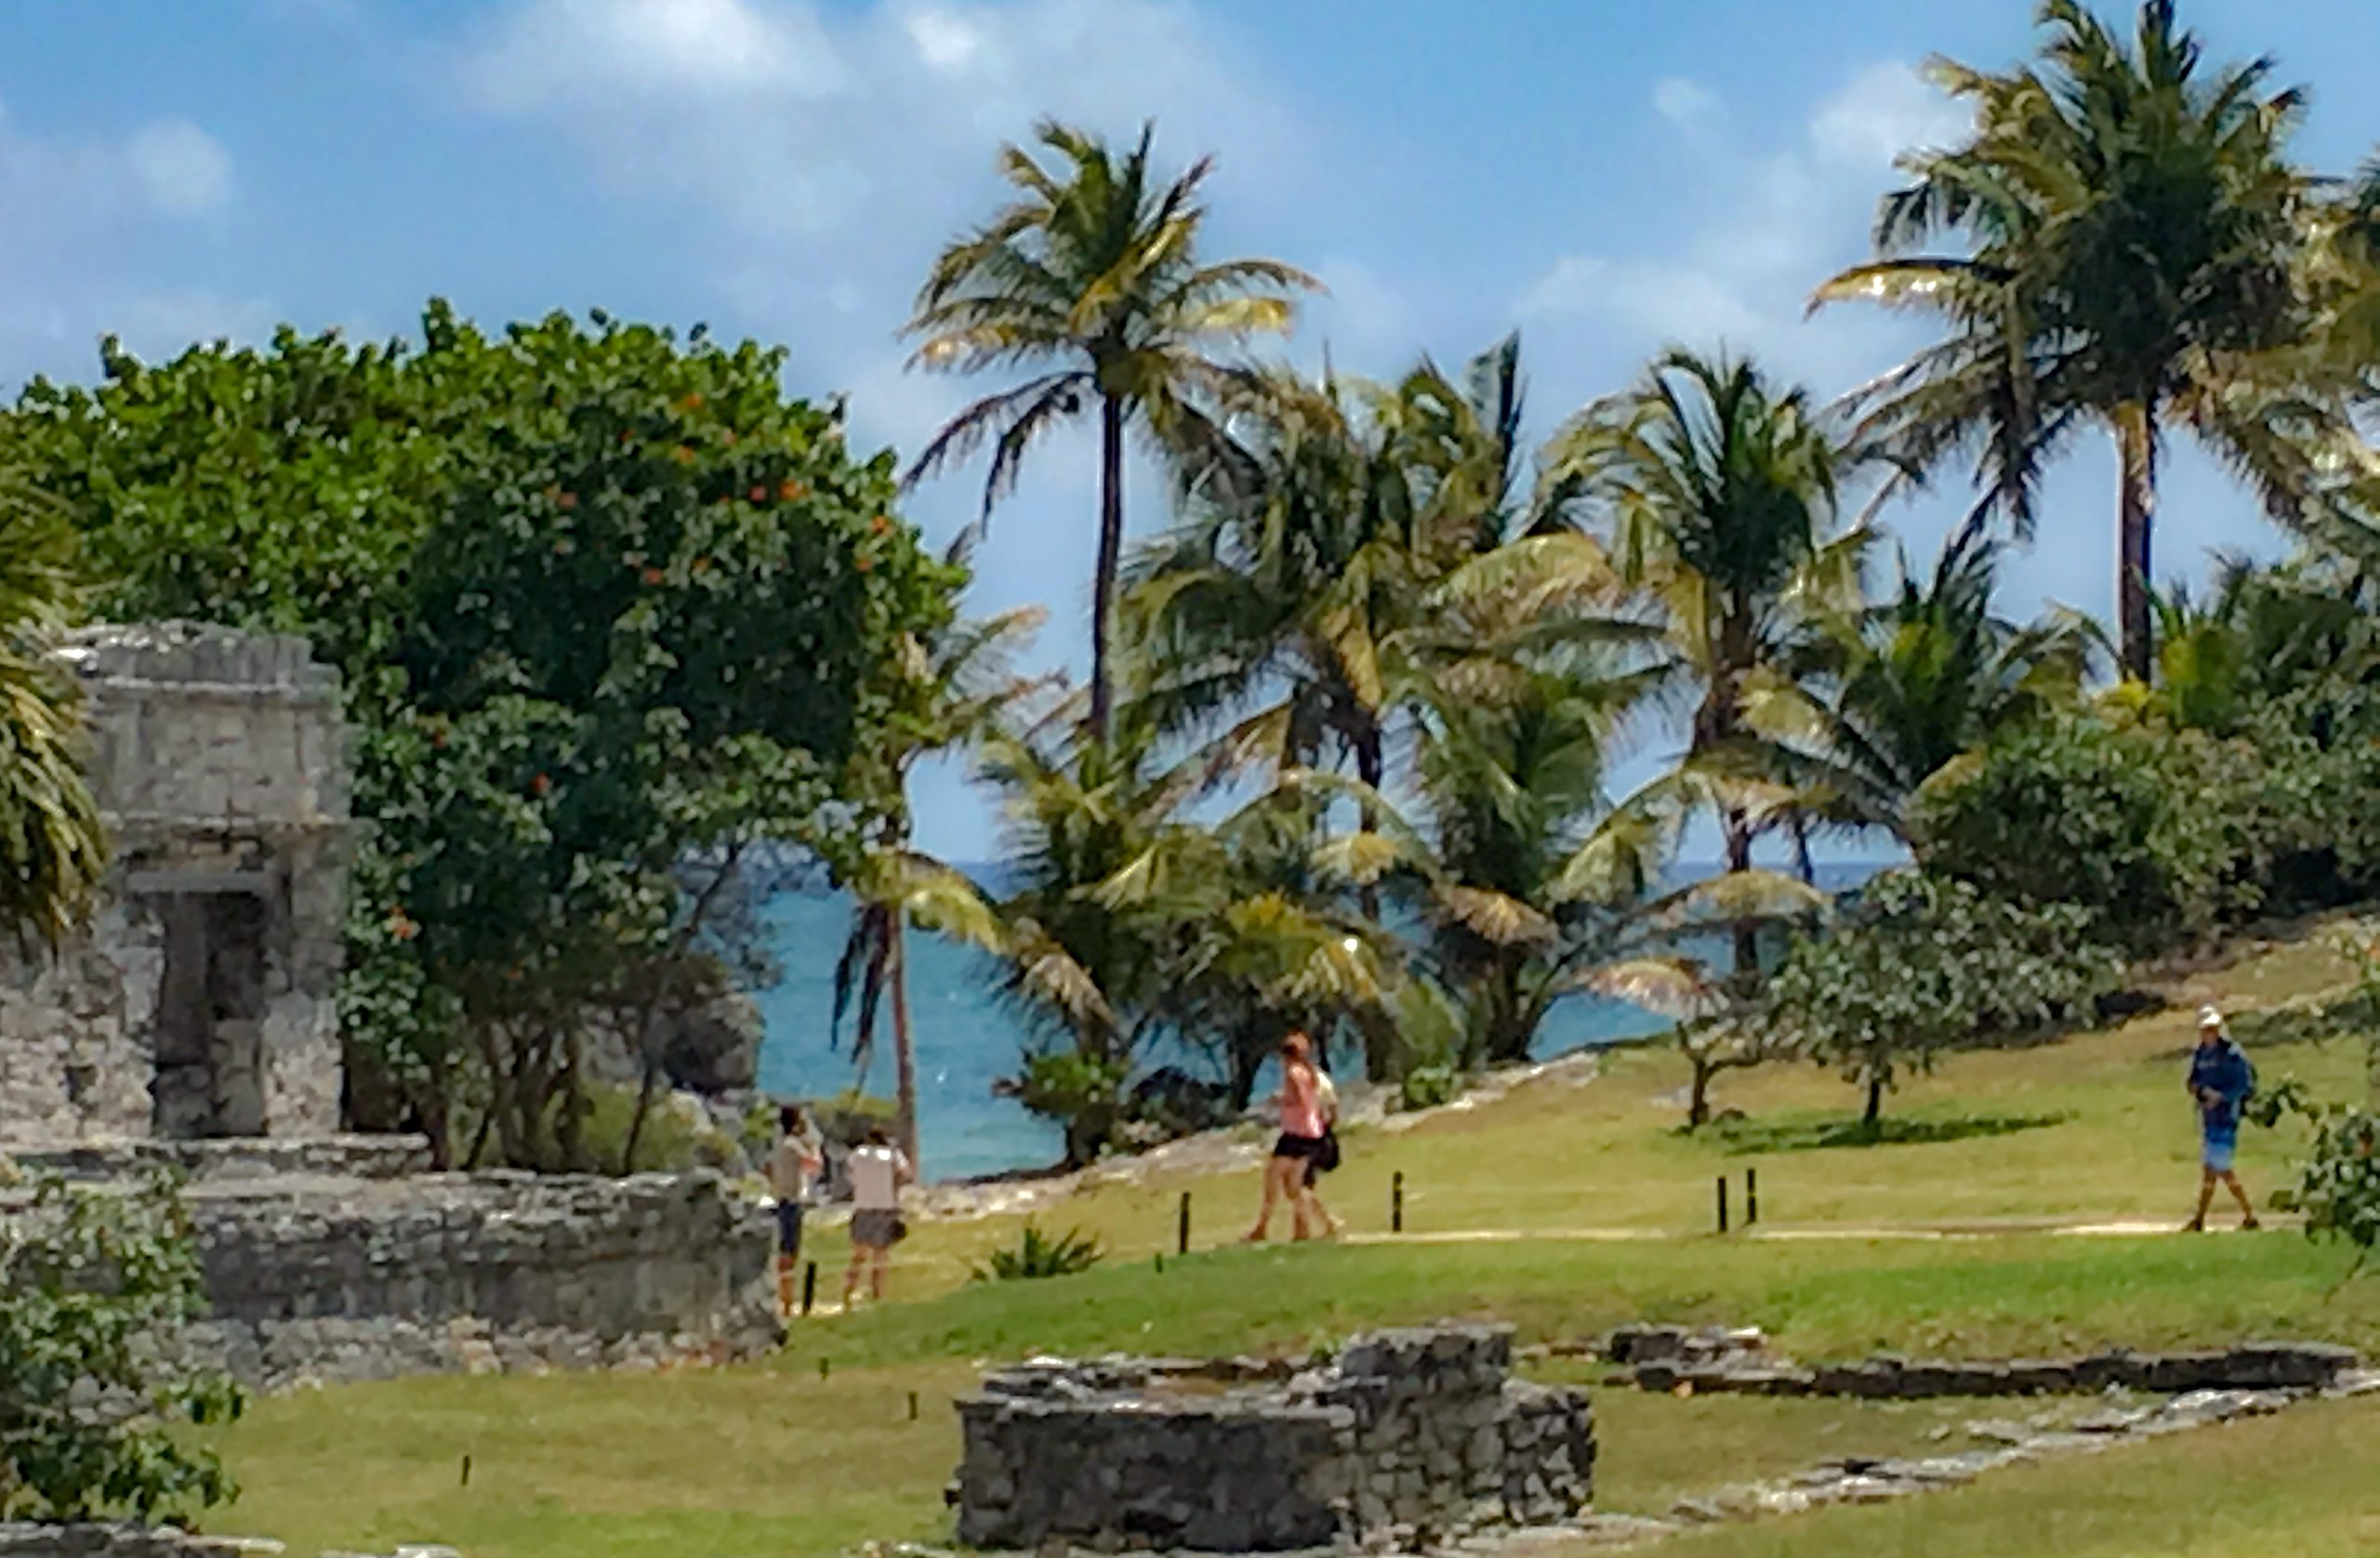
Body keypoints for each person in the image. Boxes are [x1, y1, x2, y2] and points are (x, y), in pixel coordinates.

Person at [2185, 1006, 2261, 1233]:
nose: (2209, 1033)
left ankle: (2242, 1215)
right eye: (2206, 1029)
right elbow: (2192, 1081)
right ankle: (2239, 1216)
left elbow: (2245, 1085)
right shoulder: (2200, 1055)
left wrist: (2222, 1097)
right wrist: (2200, 1092)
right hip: (2209, 1118)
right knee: (2214, 1170)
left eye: (2213, 1028)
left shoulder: (2233, 1055)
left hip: (2226, 1117)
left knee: (2218, 1168)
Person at [1246, 1032, 1327, 1242]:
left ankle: (1261, 1228)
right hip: (1310, 1133)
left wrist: (1280, 1099)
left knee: (1273, 1177)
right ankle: (1322, 1224)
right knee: (1294, 1187)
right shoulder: (1310, 1073)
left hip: (1295, 1134)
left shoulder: (1293, 1072)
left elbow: (1297, 1098)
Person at [842, 1126, 912, 1304]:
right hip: (884, 1206)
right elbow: (907, 1173)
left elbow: (849, 1173)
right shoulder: (891, 1155)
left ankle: (848, 1292)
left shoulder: (857, 1154)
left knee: (858, 1255)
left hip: (863, 1206)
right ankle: (878, 1295)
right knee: (880, 1256)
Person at [766, 1103, 823, 1316]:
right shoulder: (793, 1145)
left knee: (784, 1253)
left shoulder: (779, 1144)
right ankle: (787, 1303)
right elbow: (814, 1165)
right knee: (789, 1255)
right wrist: (815, 1144)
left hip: (780, 1200)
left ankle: (784, 1300)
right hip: (792, 1203)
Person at [1302, 1054, 1343, 1239]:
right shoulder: (1322, 1080)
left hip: (1310, 1138)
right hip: (1323, 1135)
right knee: (1302, 1184)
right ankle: (1315, 1225)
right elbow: (1334, 1111)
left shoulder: (1306, 1083)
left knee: (1301, 1185)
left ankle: (1329, 1222)